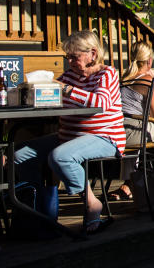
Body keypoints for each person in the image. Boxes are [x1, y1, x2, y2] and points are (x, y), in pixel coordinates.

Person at [13, 30, 124, 234]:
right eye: (68, 57)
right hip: (68, 136)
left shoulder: (107, 73)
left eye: (75, 56)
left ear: (92, 53)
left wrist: (65, 89)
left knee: (60, 156)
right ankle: (38, 209)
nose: (71, 61)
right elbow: (54, 97)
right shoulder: (69, 76)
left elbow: (101, 103)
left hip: (104, 136)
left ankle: (92, 203)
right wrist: (32, 92)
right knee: (19, 154)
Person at [111, 41, 154, 201]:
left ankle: (129, 184)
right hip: (133, 131)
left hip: (117, 128)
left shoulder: (124, 78)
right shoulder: (147, 81)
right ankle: (144, 182)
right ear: (150, 61)